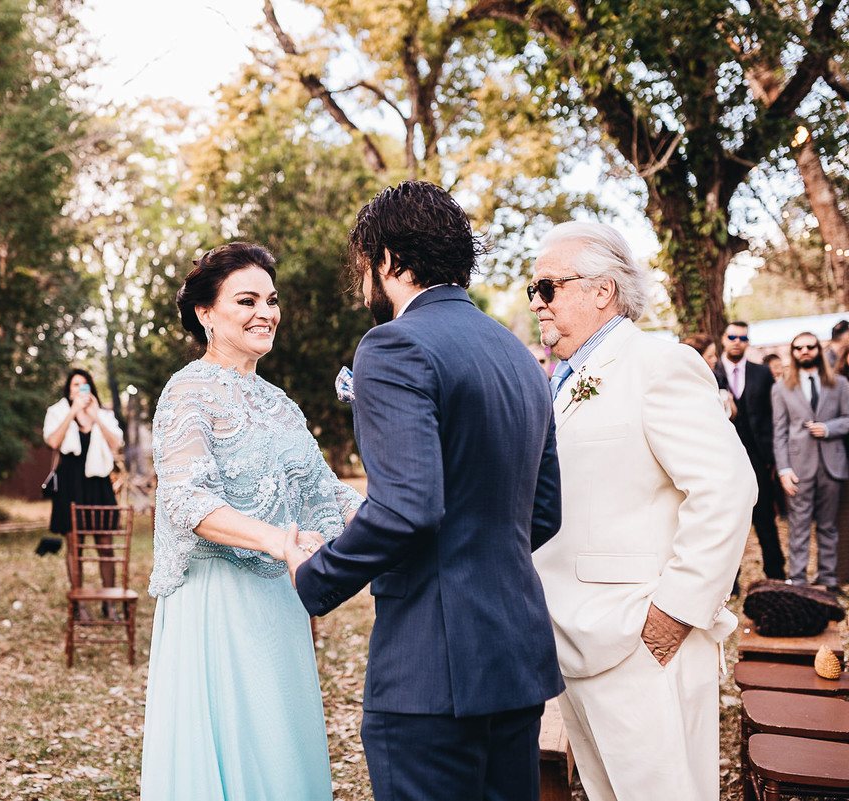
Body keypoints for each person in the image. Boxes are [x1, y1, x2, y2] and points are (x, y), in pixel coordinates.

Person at [284, 181, 564, 801]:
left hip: (430, 670)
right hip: (516, 657)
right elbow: (543, 513)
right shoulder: (519, 356)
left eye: (363, 264)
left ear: (387, 260)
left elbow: (409, 507)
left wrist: (317, 573)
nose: (362, 281)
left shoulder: (392, 345)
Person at [528, 221, 754, 801]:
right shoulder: (560, 380)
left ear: (601, 291)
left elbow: (726, 489)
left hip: (643, 643)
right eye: (534, 289)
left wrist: (674, 613)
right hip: (571, 640)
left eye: (548, 287)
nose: (536, 302)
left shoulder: (660, 365)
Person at [139, 242, 362, 801]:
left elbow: (326, 493)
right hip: (216, 605)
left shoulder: (280, 404)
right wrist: (277, 541)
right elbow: (187, 500)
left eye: (271, 299)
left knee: (280, 750)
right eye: (247, 300)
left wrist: (410, 519)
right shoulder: (187, 391)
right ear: (206, 313)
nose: (266, 311)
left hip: (279, 607)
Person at [772, 332, 849, 591]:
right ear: (793, 353)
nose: (805, 351)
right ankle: (798, 579)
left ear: (819, 349)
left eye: (810, 347)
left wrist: (828, 428)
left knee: (828, 526)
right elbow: (779, 432)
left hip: (832, 465)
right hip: (798, 468)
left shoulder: (839, 384)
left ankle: (828, 579)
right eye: (798, 348)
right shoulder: (781, 387)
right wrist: (783, 469)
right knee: (798, 525)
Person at [43, 368, 124, 613]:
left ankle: (109, 603)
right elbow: (53, 442)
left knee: (105, 544)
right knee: (74, 545)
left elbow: (116, 443)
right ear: (69, 390)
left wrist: (96, 415)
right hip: (70, 485)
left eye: (84, 384)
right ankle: (79, 604)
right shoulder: (57, 412)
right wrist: (73, 412)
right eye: (75, 385)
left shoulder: (104, 414)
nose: (80, 389)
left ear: (91, 389)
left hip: (99, 484)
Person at [712, 322, 785, 580]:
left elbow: (770, 416)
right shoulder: (709, 369)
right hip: (720, 460)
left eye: (743, 337)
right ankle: (728, 584)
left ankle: (776, 574)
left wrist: (771, 457)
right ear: (723, 338)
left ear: (747, 341)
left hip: (757, 458)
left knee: (765, 518)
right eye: (732, 336)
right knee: (725, 524)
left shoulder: (761, 373)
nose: (737, 341)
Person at [682, 333, 736, 419]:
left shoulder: (717, 378)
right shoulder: (685, 387)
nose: (715, 359)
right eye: (710, 356)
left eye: (715, 355)